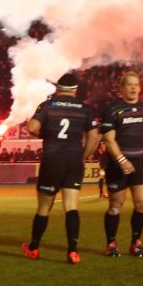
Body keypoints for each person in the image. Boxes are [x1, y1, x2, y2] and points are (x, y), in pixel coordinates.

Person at [21, 73, 100, 264]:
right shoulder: (84, 108)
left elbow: (31, 128)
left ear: (58, 88)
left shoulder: (47, 105)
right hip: (73, 161)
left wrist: (46, 133)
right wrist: (83, 156)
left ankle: (34, 248)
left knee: (44, 207)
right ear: (75, 90)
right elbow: (94, 137)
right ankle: (73, 252)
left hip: (52, 160)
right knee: (71, 207)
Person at [100, 71, 143, 258]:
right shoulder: (113, 110)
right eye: (129, 84)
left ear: (140, 88)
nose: (133, 87)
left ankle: (136, 242)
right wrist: (122, 160)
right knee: (115, 206)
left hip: (140, 162)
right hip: (118, 164)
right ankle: (111, 243)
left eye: (136, 84)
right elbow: (108, 140)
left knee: (141, 203)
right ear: (121, 88)